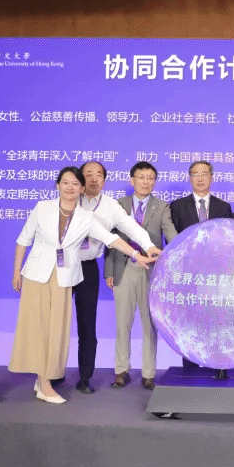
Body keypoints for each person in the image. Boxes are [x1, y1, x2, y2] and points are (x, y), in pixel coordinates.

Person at [8, 167, 155, 404]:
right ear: (58, 185)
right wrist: (16, 272)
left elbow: (113, 238)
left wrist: (139, 253)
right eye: (66, 183)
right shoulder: (42, 208)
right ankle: (44, 381)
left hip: (69, 274)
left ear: (82, 188)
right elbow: (23, 240)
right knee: (37, 328)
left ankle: (61, 379)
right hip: (37, 274)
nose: (70, 187)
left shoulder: (88, 217)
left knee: (59, 330)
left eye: (75, 184)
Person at [72, 161, 160, 394]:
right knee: (56, 324)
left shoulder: (110, 205)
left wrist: (148, 246)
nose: (93, 179)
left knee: (87, 326)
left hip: (87, 267)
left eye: (98, 175)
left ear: (104, 179)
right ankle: (49, 375)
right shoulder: (69, 199)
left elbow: (129, 228)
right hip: (60, 266)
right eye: (88, 174)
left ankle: (85, 378)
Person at [104, 161, 178, 389]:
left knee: (149, 324)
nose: (146, 182)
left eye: (150, 178)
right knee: (122, 323)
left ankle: (148, 374)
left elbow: (170, 234)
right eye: (141, 177)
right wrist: (109, 270)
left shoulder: (162, 207)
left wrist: (179, 250)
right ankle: (121, 370)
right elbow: (110, 238)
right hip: (123, 267)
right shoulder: (118, 205)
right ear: (132, 180)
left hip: (151, 270)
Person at [169, 160, 232, 368]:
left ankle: (218, 365)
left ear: (211, 177)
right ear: (190, 178)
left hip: (215, 276)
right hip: (188, 276)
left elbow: (228, 241)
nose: (200, 178)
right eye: (195, 174)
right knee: (189, 322)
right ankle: (190, 366)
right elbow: (173, 242)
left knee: (216, 321)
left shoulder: (223, 207)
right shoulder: (177, 206)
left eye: (204, 173)